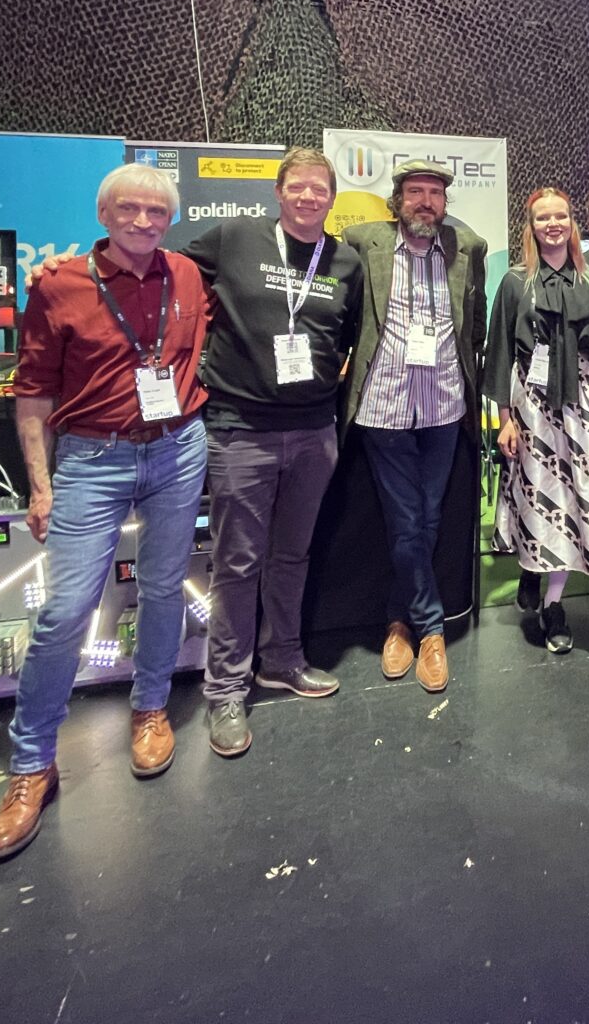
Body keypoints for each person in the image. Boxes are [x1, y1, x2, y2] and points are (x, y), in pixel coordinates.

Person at [0, 164, 210, 863]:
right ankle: (31, 764)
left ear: (170, 219)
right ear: (104, 214)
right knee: (65, 610)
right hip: (91, 458)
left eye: (156, 212)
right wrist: (40, 486)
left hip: (178, 447)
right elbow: (32, 393)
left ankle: (151, 709)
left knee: (164, 587)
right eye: (129, 210)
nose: (143, 221)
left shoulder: (187, 274)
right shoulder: (58, 283)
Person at [187, 148, 364, 760]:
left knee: (292, 555)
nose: (309, 197)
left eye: (320, 189)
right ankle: (225, 690)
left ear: (332, 198)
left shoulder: (345, 261)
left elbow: (348, 337)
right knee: (237, 563)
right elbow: (168, 275)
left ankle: (282, 659)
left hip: (314, 430)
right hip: (241, 428)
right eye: (299, 187)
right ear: (279, 191)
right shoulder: (234, 239)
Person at [343, 160, 488, 694]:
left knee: (426, 519)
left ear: (445, 203)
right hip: (384, 405)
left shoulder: (467, 248)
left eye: (435, 193)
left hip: (445, 405)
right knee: (406, 521)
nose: (425, 202)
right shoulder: (363, 243)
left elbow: (476, 324)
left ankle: (398, 620)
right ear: (397, 200)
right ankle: (430, 630)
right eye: (415, 192)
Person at [485, 187, 589, 655]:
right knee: (542, 499)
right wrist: (505, 420)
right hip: (532, 400)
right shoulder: (514, 282)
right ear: (531, 226)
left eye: (560, 216)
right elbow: (500, 353)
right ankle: (541, 583)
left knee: (585, 497)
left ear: (572, 222)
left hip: (586, 400)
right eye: (543, 218)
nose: (553, 224)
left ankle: (554, 599)